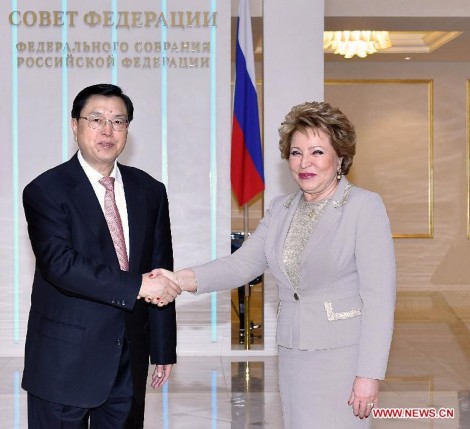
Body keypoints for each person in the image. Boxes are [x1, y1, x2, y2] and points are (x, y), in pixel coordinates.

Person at [152, 101, 396, 428]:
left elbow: (380, 299)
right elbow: (240, 265)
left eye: (317, 152)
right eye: (296, 153)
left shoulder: (364, 207)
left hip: (342, 357)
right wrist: (178, 279)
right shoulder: (282, 209)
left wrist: (369, 374)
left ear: (340, 157)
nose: (304, 163)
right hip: (293, 352)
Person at [22, 83, 180, 429]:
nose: (108, 130)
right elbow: (60, 265)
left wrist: (163, 347)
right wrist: (138, 285)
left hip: (128, 358)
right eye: (96, 119)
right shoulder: (45, 190)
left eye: (119, 121)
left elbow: (159, 267)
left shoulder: (150, 191)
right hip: (64, 361)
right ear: (75, 126)